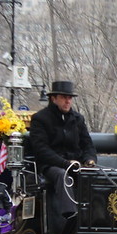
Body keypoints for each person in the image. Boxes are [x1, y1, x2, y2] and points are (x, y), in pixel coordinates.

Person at [29, 80, 97, 219]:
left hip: (76, 164)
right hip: (51, 166)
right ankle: (70, 217)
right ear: (54, 98)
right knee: (62, 175)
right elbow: (41, 150)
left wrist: (89, 160)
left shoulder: (78, 119)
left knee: (94, 176)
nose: (68, 101)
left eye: (70, 98)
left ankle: (97, 216)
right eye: (64, 97)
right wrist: (65, 163)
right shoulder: (40, 119)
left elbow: (87, 144)